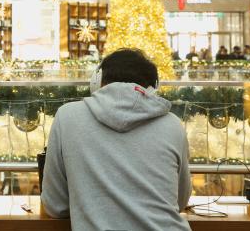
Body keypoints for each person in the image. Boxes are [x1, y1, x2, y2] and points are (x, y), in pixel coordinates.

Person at [41, 48, 191, 231]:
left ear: (96, 81)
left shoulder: (67, 117)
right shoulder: (173, 125)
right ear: (153, 89)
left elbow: (55, 206)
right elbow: (179, 200)